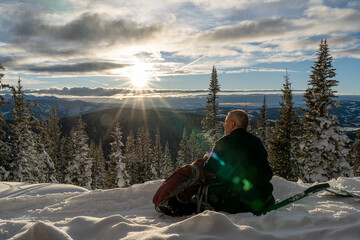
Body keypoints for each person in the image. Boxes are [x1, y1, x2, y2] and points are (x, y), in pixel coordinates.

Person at [203, 109, 274, 215]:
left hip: (240, 203)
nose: (224, 125)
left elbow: (209, 168)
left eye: (225, 121)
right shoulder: (256, 141)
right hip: (265, 199)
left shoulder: (224, 142)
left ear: (232, 124)